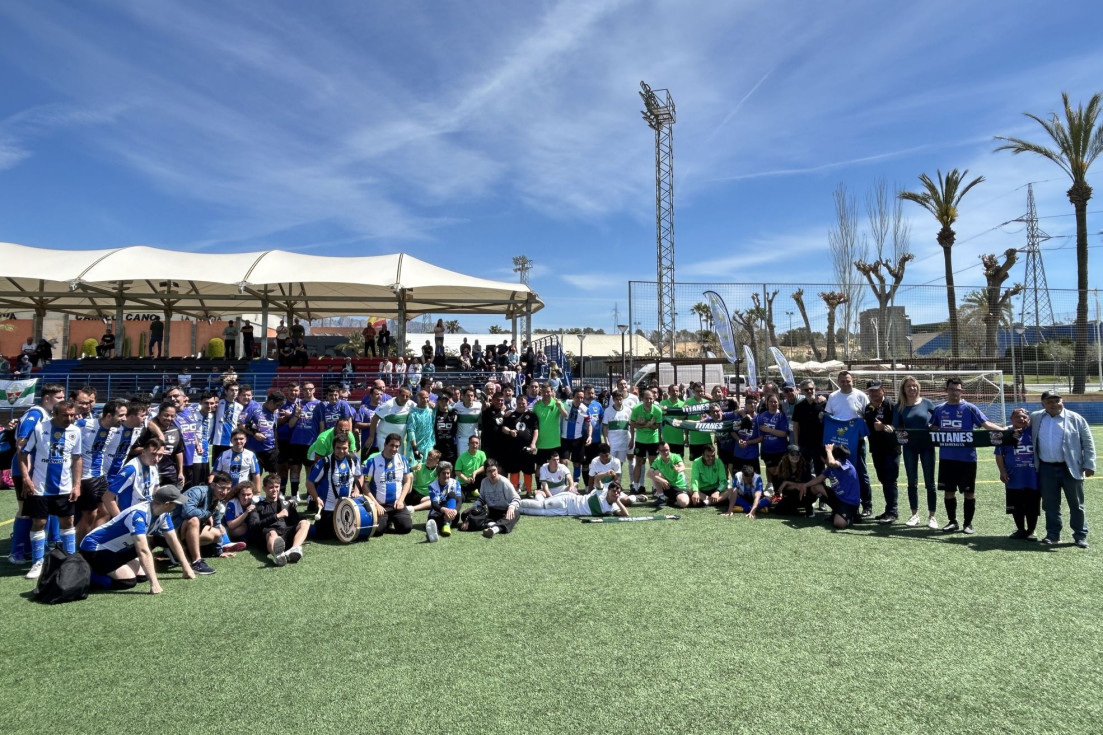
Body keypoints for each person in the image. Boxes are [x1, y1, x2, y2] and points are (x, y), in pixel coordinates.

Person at [79, 484, 196, 594]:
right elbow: (143, 551)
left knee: (142, 576)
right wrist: (154, 584)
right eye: (175, 503)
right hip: (95, 547)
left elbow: (173, 540)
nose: (177, 506)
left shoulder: (164, 514)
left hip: (118, 549)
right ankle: (88, 575)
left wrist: (186, 567)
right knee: (127, 581)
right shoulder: (138, 515)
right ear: (166, 503)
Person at [929, 377, 1005, 534]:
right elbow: (932, 429)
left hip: (967, 458)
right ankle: (952, 522)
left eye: (957, 389)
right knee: (949, 491)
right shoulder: (939, 410)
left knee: (969, 492)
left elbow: (986, 424)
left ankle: (968, 524)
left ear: (962, 391)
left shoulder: (970, 408)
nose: (954, 392)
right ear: (946, 390)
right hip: (947, 458)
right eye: (951, 389)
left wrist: (1005, 432)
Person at [18, 400, 83, 579]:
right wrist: (26, 478)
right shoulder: (39, 428)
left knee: (68, 521)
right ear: (55, 414)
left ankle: (69, 560)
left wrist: (77, 485)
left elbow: (77, 459)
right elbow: (23, 453)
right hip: (40, 487)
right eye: (65, 415)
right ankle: (37, 562)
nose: (69, 418)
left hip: (64, 487)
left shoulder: (75, 431)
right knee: (39, 523)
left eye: (71, 415)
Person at [1030, 390, 1096, 548]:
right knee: (1050, 504)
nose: (1054, 404)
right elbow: (1019, 424)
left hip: (1071, 468)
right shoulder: (1036, 417)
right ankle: (1053, 535)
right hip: (1046, 468)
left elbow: (1088, 442)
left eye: (1056, 400)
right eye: (1049, 402)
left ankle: (1080, 535)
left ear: (1062, 401)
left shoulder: (1075, 418)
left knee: (1077, 504)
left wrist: (1089, 463)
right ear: (1043, 404)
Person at [75, 399, 128, 541]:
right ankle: (79, 549)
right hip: (86, 478)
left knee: (105, 511)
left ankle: (92, 542)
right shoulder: (83, 425)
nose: (124, 419)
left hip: (100, 476)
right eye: (121, 415)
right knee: (89, 514)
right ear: (109, 416)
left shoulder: (113, 429)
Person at [824, 370, 873, 516]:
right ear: (838, 382)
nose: (845, 383)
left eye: (848, 381)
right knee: (837, 474)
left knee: (861, 473)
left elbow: (867, 417)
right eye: (842, 381)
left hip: (857, 442)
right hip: (838, 443)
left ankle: (866, 505)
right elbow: (828, 417)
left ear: (853, 381)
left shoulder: (861, 396)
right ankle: (841, 504)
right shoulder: (833, 397)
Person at [173, 471, 242, 575]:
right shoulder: (197, 491)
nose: (225, 491)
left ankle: (181, 551)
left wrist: (219, 552)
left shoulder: (216, 500)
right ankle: (196, 562)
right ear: (213, 485)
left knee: (217, 533)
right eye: (222, 487)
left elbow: (217, 524)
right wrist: (207, 514)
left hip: (186, 532)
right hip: (173, 530)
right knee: (194, 520)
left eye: (228, 488)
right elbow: (188, 511)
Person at [893, 375, 939, 529]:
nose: (912, 388)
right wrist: (891, 429)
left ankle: (932, 516)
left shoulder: (927, 403)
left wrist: (935, 426)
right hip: (909, 448)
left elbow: (937, 421)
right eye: (908, 386)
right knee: (911, 482)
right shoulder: (899, 406)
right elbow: (896, 427)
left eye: (914, 385)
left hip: (927, 446)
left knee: (930, 483)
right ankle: (914, 514)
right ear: (903, 389)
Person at [306, 435, 368, 539]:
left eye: (344, 448)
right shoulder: (325, 462)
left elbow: (360, 476)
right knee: (324, 535)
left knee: (349, 533)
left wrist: (357, 490)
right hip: (328, 507)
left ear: (348, 448)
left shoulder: (354, 459)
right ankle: (303, 526)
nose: (341, 451)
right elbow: (309, 482)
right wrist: (317, 498)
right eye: (338, 448)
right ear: (333, 448)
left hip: (347, 506)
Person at [996, 408, 1040, 541]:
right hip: (1014, 477)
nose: (1021, 419)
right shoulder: (1006, 434)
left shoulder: (1034, 432)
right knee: (1016, 505)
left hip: (1033, 477)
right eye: (1018, 417)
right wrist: (1002, 471)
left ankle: (1031, 531)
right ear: (1011, 419)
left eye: (1024, 417)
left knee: (1032, 505)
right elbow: (999, 454)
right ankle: (1020, 529)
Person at [248, 474, 309, 565]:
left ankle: (294, 549)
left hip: (285, 533)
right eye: (271, 487)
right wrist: (276, 516)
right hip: (268, 537)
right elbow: (253, 526)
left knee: (305, 523)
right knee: (272, 532)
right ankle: (278, 556)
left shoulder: (286, 504)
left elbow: (295, 522)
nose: (275, 490)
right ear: (264, 489)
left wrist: (297, 513)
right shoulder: (257, 507)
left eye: (277, 487)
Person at [864, 380, 902, 525]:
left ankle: (893, 512)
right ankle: (888, 510)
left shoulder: (893, 406)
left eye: (876, 390)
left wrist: (885, 427)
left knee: (890, 480)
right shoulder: (868, 408)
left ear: (883, 390)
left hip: (891, 450)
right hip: (876, 449)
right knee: (883, 479)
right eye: (871, 391)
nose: (873, 393)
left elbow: (900, 427)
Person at [798, 444, 862, 530]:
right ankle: (809, 509)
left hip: (849, 502)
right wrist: (805, 485)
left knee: (839, 523)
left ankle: (852, 517)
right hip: (838, 498)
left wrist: (828, 450)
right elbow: (818, 479)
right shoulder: (830, 468)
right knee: (816, 487)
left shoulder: (844, 463)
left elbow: (832, 462)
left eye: (822, 458)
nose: (821, 460)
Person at [362, 432, 413, 535]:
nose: (394, 449)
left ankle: (393, 518)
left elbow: (408, 480)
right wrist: (376, 505)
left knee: (406, 528)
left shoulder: (402, 459)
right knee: (377, 531)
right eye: (392, 445)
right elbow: (365, 486)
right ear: (385, 445)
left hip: (396, 504)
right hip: (380, 505)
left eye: (397, 446)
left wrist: (401, 500)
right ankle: (386, 520)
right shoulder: (372, 462)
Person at [461, 460, 520, 538]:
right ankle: (491, 524)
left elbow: (516, 498)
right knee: (464, 514)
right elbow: (481, 499)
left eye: (494, 470)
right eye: (489, 471)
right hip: (490, 511)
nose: (492, 474)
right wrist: (472, 509)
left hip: (504, 511)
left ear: (497, 470)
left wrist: (511, 507)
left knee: (515, 514)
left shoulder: (504, 482)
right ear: (485, 473)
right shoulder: (484, 482)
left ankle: (495, 529)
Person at [137, 400, 184, 486]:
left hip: (169, 474)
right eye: (166, 415)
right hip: (148, 472)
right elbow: (133, 450)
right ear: (159, 415)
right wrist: (149, 451)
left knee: (170, 498)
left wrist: (180, 472)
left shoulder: (176, 430)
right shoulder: (148, 430)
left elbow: (179, 452)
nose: (169, 418)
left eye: (172, 416)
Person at [520, 480, 628, 518]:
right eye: (614, 491)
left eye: (618, 492)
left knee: (542, 512)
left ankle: (518, 509)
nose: (616, 493)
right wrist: (606, 473)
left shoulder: (612, 507)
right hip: (568, 500)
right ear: (608, 490)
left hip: (567, 511)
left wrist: (617, 500)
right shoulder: (601, 492)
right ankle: (515, 503)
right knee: (541, 505)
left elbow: (625, 515)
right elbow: (598, 478)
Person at [213, 429, 262, 495]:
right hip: (226, 491)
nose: (238, 441)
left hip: (243, 491)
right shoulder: (223, 455)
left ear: (245, 440)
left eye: (241, 439)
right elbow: (214, 473)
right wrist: (212, 489)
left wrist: (257, 493)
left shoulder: (251, 455)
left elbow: (256, 474)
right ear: (231, 440)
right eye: (235, 439)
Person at [424, 461, 463, 542]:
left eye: (448, 473)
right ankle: (436, 532)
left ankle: (446, 524)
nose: (446, 476)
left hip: (452, 514)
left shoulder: (456, 483)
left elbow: (459, 501)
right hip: (438, 511)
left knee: (452, 494)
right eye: (443, 473)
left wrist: (455, 511)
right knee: (433, 519)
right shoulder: (432, 486)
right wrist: (445, 510)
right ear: (438, 474)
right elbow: (434, 504)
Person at [648, 441, 690, 508]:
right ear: (658, 451)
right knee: (655, 472)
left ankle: (673, 500)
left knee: (683, 503)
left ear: (669, 449)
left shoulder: (676, 457)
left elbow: (682, 466)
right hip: (667, 486)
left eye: (667, 450)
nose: (665, 452)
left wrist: (679, 469)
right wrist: (661, 480)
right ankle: (661, 498)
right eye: (662, 450)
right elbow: (649, 474)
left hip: (679, 487)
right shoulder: (657, 461)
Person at [455, 435, 487, 501]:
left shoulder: (482, 454)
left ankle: (481, 493)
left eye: (476, 443)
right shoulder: (462, 457)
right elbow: (457, 471)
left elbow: (484, 466)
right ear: (468, 444)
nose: (474, 445)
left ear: (479, 444)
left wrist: (475, 472)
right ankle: (469, 494)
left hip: (476, 479)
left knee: (486, 473)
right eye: (472, 443)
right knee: (461, 499)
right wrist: (466, 479)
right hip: (464, 483)